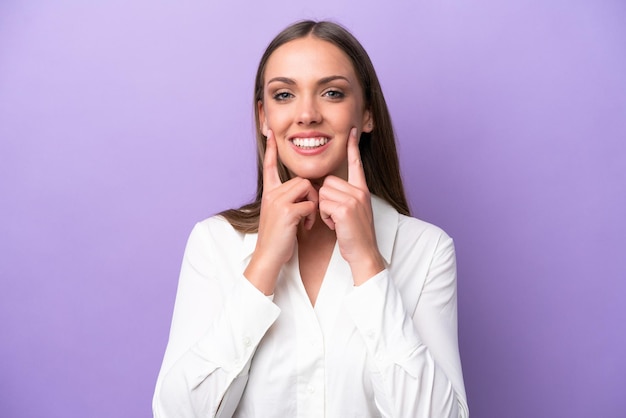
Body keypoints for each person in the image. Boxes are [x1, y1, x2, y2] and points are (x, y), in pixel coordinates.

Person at [153, 20, 468, 417]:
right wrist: (263, 263)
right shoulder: (214, 243)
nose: (306, 114)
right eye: (284, 95)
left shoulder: (426, 249)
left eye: (332, 93)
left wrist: (369, 266)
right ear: (264, 118)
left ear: (367, 113)